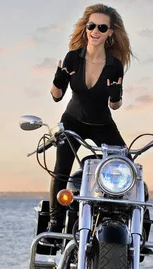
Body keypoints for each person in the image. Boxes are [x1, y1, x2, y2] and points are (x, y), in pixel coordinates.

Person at [47, 3, 134, 233]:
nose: (96, 31)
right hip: (72, 122)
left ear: (110, 33)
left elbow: (115, 106)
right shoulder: (73, 58)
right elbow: (57, 96)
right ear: (86, 28)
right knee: (61, 170)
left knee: (127, 166)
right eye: (92, 25)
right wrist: (58, 79)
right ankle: (55, 223)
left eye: (102, 28)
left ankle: (131, 226)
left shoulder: (115, 65)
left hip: (102, 125)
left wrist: (116, 96)